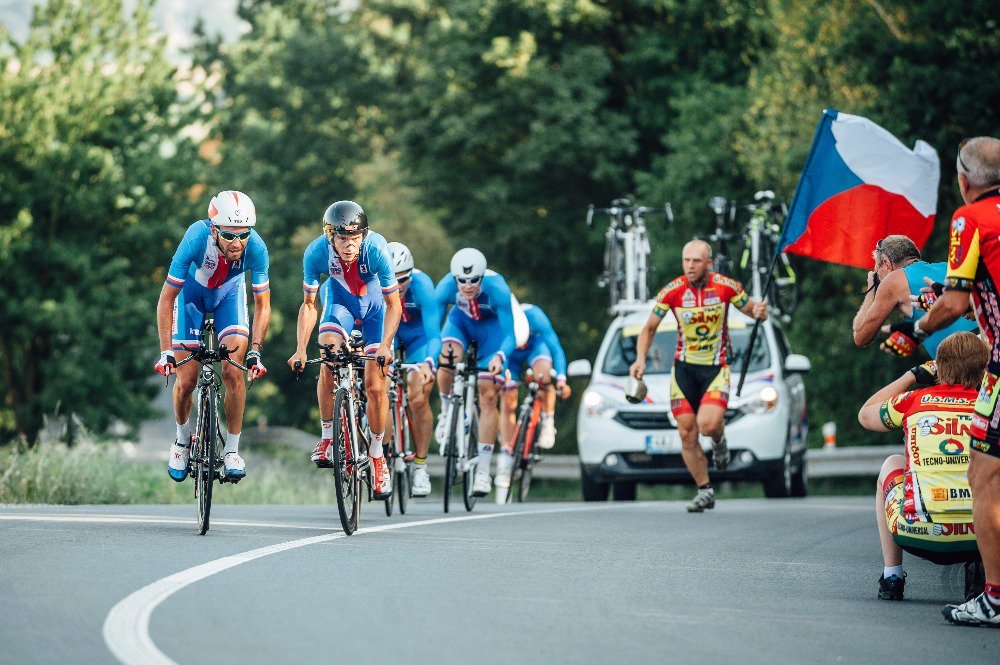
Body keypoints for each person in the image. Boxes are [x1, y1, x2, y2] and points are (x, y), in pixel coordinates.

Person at [886, 136, 1000, 626]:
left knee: (984, 475)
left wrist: (915, 330)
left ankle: (993, 597)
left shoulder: (968, 219)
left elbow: (953, 303)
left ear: (963, 179)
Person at [629, 238, 767, 513]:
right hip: (683, 369)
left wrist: (759, 311)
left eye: (696, 261)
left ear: (709, 263)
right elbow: (649, 329)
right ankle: (704, 490)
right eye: (686, 261)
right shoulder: (673, 290)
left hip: (716, 368)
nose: (690, 266)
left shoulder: (727, 287)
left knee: (708, 425)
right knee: (686, 432)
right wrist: (640, 359)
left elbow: (752, 310)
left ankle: (718, 440)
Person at [858, 332, 987, 601]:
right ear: (983, 368)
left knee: (891, 464)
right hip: (980, 537)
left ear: (938, 368)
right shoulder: (991, 408)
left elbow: (866, 413)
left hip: (915, 533)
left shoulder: (914, 400)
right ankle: (985, 570)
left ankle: (892, 577)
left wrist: (912, 376)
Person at [286, 201, 401, 500]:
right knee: (327, 355)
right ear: (329, 236)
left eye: (355, 238)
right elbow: (309, 306)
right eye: (342, 238)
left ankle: (377, 456)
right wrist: (300, 348)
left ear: (363, 235)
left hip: (376, 309)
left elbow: (393, 306)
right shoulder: (315, 253)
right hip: (339, 304)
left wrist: (386, 346)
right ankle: (327, 438)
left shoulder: (376, 249)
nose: (349, 245)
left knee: (376, 383)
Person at [154, 190, 270, 481]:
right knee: (187, 379)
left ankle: (231, 449)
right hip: (191, 299)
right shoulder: (195, 238)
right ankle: (181, 441)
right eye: (230, 235)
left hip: (229, 299)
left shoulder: (256, 247)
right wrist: (165, 351)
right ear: (214, 229)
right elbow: (167, 299)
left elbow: (263, 305)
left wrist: (255, 350)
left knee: (233, 371)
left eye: (244, 235)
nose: (237, 243)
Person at [435, 248, 516, 498]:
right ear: (454, 278)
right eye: (462, 280)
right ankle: (447, 411)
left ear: (482, 277)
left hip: (493, 334)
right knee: (447, 357)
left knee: (488, 394)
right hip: (460, 324)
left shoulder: (498, 287)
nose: (467, 286)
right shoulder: (445, 288)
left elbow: (511, 334)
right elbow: (432, 330)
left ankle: (482, 469)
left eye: (473, 281)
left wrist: (500, 358)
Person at [852, 234, 976, 357]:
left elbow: (861, 337)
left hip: (962, 359)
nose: (879, 278)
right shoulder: (947, 266)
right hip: (987, 341)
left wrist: (870, 292)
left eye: (877, 271)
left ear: (886, 264)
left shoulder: (893, 280)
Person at [495, 302, 571, 494]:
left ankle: (547, 420)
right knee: (507, 398)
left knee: (544, 376)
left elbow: (556, 349)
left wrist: (561, 378)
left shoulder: (536, 317)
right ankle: (505, 454)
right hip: (510, 352)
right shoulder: (502, 320)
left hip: (536, 348)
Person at [387, 241, 441, 497]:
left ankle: (420, 467)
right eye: (391, 279)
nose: (397, 286)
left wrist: (429, 363)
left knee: (418, 396)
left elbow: (433, 335)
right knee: (377, 385)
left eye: (403, 279)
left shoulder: (423, 287)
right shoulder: (375, 283)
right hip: (391, 334)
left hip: (419, 340)